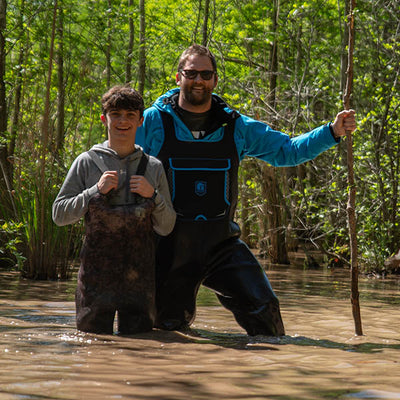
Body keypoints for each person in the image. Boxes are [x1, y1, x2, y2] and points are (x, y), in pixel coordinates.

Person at [135, 44, 357, 337]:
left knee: (267, 318)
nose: (198, 80)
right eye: (191, 73)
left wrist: (332, 132)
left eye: (205, 74)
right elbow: (125, 160)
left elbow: (286, 151)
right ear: (178, 78)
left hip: (222, 247)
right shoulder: (151, 121)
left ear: (215, 80)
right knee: (167, 334)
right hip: (169, 249)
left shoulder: (236, 126)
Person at [52, 85, 176, 334]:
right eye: (116, 114)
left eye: (130, 115)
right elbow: (59, 215)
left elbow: (167, 226)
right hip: (95, 279)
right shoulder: (86, 162)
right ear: (104, 119)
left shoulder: (153, 167)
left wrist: (153, 195)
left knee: (139, 347)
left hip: (139, 280)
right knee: (92, 347)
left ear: (141, 121)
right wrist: (93, 191)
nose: (123, 121)